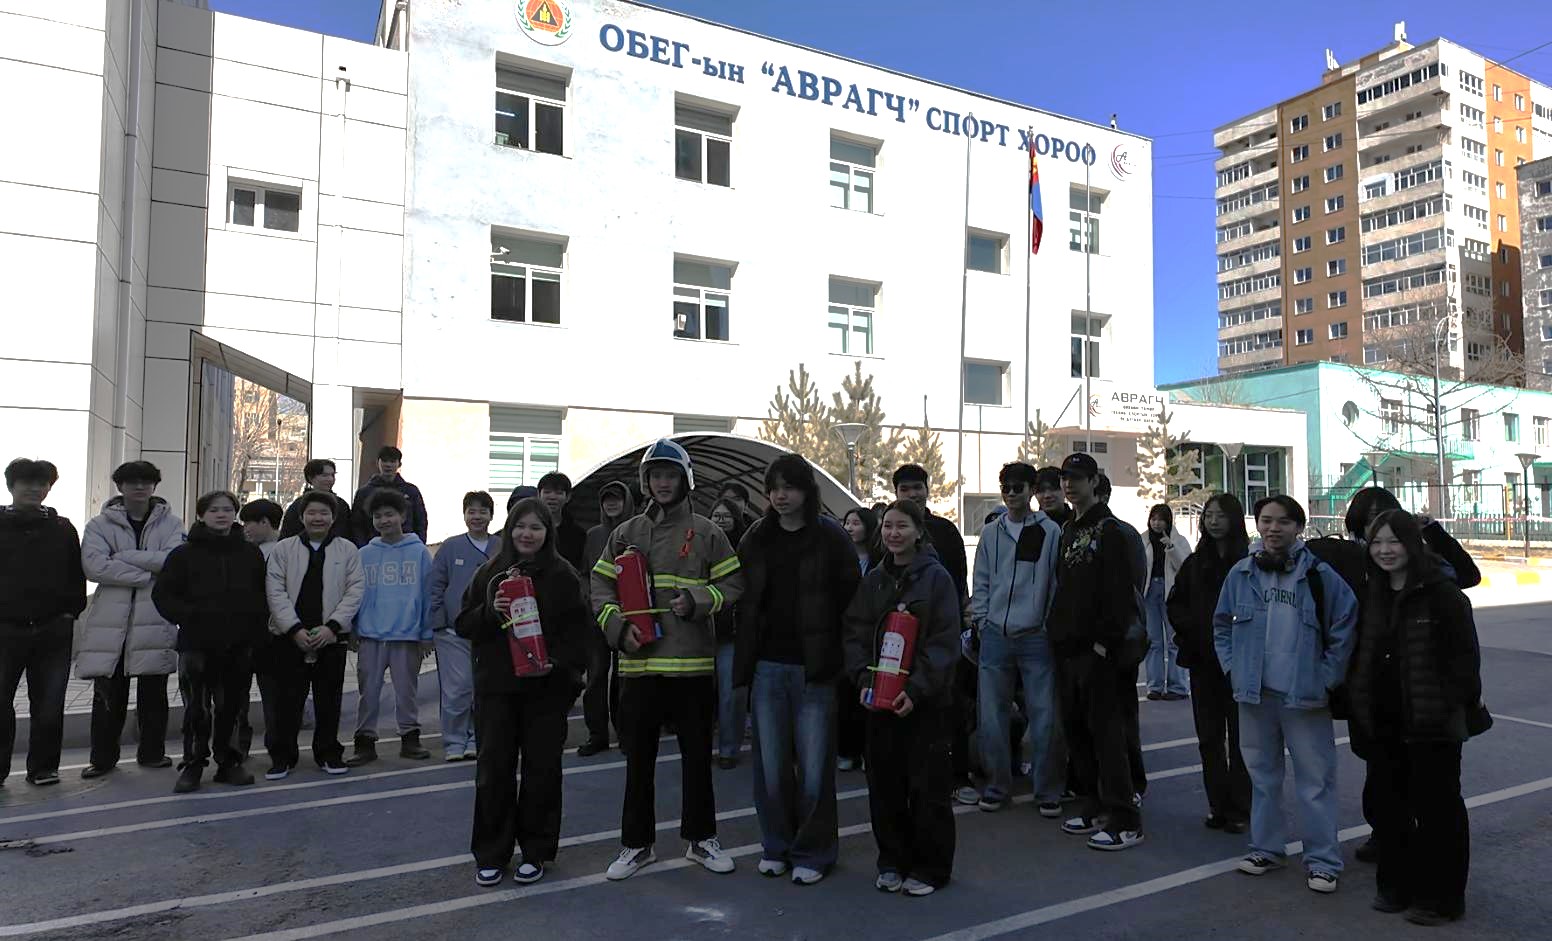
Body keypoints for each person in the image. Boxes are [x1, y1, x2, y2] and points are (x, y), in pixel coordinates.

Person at [590, 439, 745, 881]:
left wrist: (697, 600)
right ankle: (636, 845)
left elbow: (733, 585)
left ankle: (702, 839)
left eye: (670, 475)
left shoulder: (708, 532)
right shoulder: (625, 533)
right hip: (638, 667)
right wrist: (618, 628)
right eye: (656, 475)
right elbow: (599, 587)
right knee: (638, 763)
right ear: (646, 481)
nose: (662, 482)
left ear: (684, 480)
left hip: (692, 666)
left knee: (697, 760)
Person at [1215, 494, 1357, 895]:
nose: (1273, 528)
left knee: (1315, 782)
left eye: (1282, 521)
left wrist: (1326, 678)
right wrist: (1233, 668)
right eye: (1266, 520)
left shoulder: (1319, 575)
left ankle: (1323, 862)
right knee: (1262, 778)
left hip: (1304, 696)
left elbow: (1345, 625)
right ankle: (1266, 849)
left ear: (1299, 527)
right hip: (1254, 694)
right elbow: (1221, 624)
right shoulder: (1241, 573)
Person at [733, 454, 860, 885]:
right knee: (770, 766)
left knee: (815, 768)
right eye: (774, 488)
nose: (780, 495)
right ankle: (776, 846)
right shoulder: (756, 537)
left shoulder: (831, 537)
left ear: (807, 490)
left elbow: (852, 601)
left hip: (815, 668)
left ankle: (814, 852)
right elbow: (741, 595)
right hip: (767, 665)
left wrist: (842, 659)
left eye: (789, 487)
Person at [1349, 510, 1479, 925]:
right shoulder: (1372, 593)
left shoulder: (1442, 594)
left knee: (1438, 811)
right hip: (1384, 721)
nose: (1385, 550)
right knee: (1391, 809)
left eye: (1394, 541)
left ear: (1412, 543)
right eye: (1376, 542)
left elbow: (1465, 663)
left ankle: (1442, 898)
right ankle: (1395, 886)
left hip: (1432, 723)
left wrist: (1448, 707)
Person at [457, 497, 590, 887]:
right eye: (520, 526)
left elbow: (580, 636)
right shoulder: (489, 574)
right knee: (493, 771)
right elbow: (463, 624)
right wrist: (490, 610)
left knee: (541, 771)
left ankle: (536, 851)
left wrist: (559, 665)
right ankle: (491, 853)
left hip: (546, 692)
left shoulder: (564, 576)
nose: (526, 534)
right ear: (508, 529)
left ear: (548, 532)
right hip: (497, 690)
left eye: (536, 527)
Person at [843, 499, 961, 896]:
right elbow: (855, 632)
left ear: (918, 531)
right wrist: (863, 679)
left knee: (927, 788)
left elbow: (944, 642)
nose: (894, 534)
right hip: (879, 702)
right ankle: (892, 860)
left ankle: (931, 868)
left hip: (924, 704)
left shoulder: (936, 579)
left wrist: (916, 689)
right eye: (888, 526)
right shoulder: (875, 579)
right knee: (885, 787)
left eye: (902, 526)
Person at [1047, 454, 1145, 851]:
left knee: (1108, 735)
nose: (1069, 485)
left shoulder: (1112, 531)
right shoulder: (1069, 529)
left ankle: (1125, 819)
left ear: (1093, 482)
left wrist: (1104, 644)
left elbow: (1121, 594)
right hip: (1067, 648)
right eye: (1064, 478)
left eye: (1076, 478)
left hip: (1099, 652)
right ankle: (1093, 805)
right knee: (1078, 732)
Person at [152, 491, 268, 792]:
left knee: (232, 706)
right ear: (201, 515)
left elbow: (262, 596)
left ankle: (229, 762)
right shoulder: (183, 554)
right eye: (214, 510)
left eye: (227, 509)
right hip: (196, 645)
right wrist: (190, 616)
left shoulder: (250, 553)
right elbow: (163, 596)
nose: (221, 514)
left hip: (238, 644)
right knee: (196, 708)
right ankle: (193, 763)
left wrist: (254, 631)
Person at [77, 460, 185, 779]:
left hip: (155, 618)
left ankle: (152, 754)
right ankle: (102, 759)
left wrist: (122, 557)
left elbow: (173, 562)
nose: (139, 487)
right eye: (132, 482)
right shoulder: (99, 525)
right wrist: (145, 575)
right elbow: (94, 567)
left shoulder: (171, 524)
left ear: (154, 486)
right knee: (108, 697)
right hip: (111, 623)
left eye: (146, 481)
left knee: (154, 695)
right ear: (120, 487)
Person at [970, 461, 1065, 816]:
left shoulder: (1049, 531)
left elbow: (1054, 582)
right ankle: (997, 786)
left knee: (1045, 717)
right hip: (995, 634)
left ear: (1031, 491)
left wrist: (1045, 624)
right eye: (1006, 488)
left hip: (1036, 636)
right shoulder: (991, 532)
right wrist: (982, 621)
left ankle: (1048, 790)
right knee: (991, 717)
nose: (1011, 494)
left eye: (1018, 487)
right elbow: (981, 579)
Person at [261, 490, 364, 779]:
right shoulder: (284, 549)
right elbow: (275, 591)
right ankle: (283, 757)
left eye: (324, 513)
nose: (318, 518)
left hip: (331, 638)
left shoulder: (348, 550)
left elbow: (355, 590)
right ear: (301, 516)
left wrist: (333, 627)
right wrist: (293, 629)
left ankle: (328, 753)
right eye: (312, 513)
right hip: (290, 638)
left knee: (328, 701)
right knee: (287, 701)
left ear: (334, 517)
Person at [1166, 493, 1251, 833]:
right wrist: (1194, 630)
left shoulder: (1247, 562)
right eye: (1209, 515)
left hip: (1241, 664)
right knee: (1209, 739)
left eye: (1220, 515)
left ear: (1234, 520)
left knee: (1242, 740)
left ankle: (1240, 808)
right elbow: (1175, 603)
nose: (1213, 521)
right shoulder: (1195, 562)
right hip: (1203, 661)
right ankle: (1218, 805)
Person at [891, 464, 974, 806]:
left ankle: (958, 775)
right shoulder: (889, 529)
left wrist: (960, 621)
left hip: (941, 632)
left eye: (917, 487)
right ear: (896, 492)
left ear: (927, 489)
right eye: (905, 488)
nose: (912, 494)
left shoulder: (945, 530)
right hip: (899, 636)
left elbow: (959, 580)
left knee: (950, 706)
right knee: (902, 705)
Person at [0, 459, 86, 787]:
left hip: (53, 629)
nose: (35, 489)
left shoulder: (62, 528)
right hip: (5, 628)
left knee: (49, 704)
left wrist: (69, 613)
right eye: (27, 483)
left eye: (42, 483)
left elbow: (75, 575)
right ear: (12, 486)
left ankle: (44, 768)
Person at [346, 490, 434, 765]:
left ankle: (410, 738)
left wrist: (426, 633)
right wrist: (353, 628)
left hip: (407, 634)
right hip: (370, 635)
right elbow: (354, 594)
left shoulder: (419, 552)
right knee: (368, 692)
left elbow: (429, 594)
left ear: (402, 516)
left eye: (389, 514)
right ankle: (364, 742)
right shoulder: (364, 554)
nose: (384, 520)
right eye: (378, 516)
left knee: (406, 691)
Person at [427, 491, 496, 762]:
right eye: (471, 511)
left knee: (483, 688)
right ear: (464, 515)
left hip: (490, 632)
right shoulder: (450, 547)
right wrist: (437, 623)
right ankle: (454, 741)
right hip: (452, 632)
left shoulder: (501, 547)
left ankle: (477, 738)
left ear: (491, 515)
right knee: (457, 688)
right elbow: (436, 585)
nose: (477, 517)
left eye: (483, 511)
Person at [1094, 472, 1150, 804]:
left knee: (1122, 717)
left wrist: (1113, 632)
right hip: (1091, 640)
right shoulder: (1074, 530)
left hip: (1119, 640)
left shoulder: (1122, 533)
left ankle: (1132, 785)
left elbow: (1135, 586)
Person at [579, 480, 636, 756]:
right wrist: (589, 598)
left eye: (616, 498)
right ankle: (597, 734)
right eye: (606, 499)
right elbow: (585, 572)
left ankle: (625, 733)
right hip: (597, 617)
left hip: (629, 616)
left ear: (627, 502)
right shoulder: (593, 535)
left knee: (624, 679)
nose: (611, 503)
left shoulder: (637, 530)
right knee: (596, 676)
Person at [235, 498, 284, 760]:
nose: (245, 529)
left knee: (263, 695)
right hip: (256, 634)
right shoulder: (248, 551)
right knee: (268, 695)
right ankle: (274, 747)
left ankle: (245, 746)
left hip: (267, 634)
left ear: (265, 523)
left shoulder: (279, 552)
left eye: (248, 523)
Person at [838, 507, 884, 771]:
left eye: (856, 523)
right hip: (845, 632)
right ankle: (848, 749)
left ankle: (869, 751)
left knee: (871, 692)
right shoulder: (839, 557)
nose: (850, 528)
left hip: (872, 635)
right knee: (846, 693)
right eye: (847, 522)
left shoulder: (880, 560)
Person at [708, 497, 749, 769]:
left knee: (730, 693)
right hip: (701, 630)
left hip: (732, 633)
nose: (721, 521)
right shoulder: (700, 545)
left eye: (726, 516)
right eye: (716, 516)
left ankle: (729, 749)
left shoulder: (746, 549)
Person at [1143, 504, 1192, 701]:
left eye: (1161, 519)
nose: (1156, 523)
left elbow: (1185, 567)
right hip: (1149, 592)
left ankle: (1178, 687)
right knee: (1153, 641)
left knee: (1174, 640)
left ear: (1168, 521)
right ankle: (1154, 686)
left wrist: (1170, 547)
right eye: (1153, 519)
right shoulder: (1143, 539)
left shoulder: (1179, 540)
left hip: (1172, 592)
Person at [349, 446, 428, 546]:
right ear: (378, 463)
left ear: (399, 464)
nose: (388, 465)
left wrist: (418, 544)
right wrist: (363, 547)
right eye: (384, 461)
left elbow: (421, 521)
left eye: (392, 461)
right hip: (374, 546)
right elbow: (357, 524)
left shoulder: (411, 490)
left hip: (406, 545)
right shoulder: (364, 492)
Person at [280, 459, 353, 542]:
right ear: (310, 478)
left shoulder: (341, 505)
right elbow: (288, 534)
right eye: (324, 475)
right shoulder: (298, 505)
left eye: (332, 475)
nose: (330, 479)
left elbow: (347, 533)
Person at [536, 471, 587, 571]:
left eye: (559, 493)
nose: (552, 497)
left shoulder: (577, 534)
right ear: (538, 494)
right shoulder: (528, 528)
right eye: (547, 492)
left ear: (568, 497)